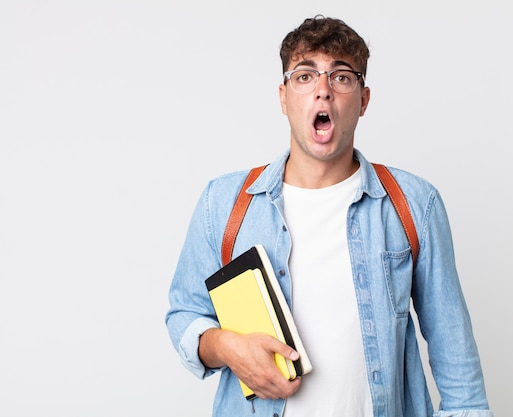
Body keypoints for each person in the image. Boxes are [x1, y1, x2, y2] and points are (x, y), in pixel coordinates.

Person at [166, 15, 493, 417]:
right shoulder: (224, 203)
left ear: (363, 99)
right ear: (283, 97)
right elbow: (184, 314)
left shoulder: (413, 205)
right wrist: (225, 346)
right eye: (305, 77)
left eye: (341, 77)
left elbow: (459, 374)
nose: (323, 91)